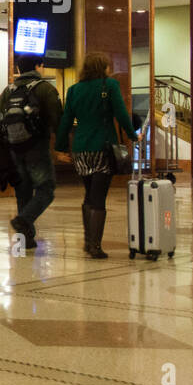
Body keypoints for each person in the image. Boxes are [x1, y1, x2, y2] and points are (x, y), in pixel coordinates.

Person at [55, 51, 137, 259]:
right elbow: (120, 112)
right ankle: (95, 246)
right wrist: (132, 135)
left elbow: (66, 121)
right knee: (99, 197)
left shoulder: (74, 90)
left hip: (81, 149)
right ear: (103, 67)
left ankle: (87, 241)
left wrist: (61, 147)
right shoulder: (109, 86)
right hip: (103, 147)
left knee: (89, 193)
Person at [0, 54, 63, 249]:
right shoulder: (45, 89)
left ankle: (26, 239)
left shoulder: (8, 91)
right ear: (39, 66)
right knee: (46, 189)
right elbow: (57, 119)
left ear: (19, 68)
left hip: (14, 148)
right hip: (36, 147)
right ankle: (23, 219)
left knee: (23, 191)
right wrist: (62, 147)